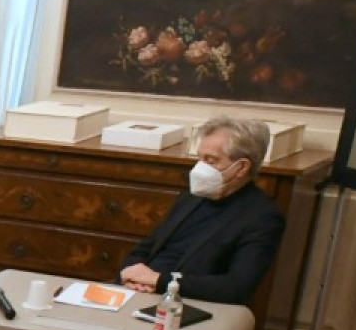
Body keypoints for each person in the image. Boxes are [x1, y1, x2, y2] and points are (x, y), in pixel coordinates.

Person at [117, 115, 285, 305]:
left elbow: (237, 287)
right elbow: (148, 246)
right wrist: (132, 272)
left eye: (211, 160)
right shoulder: (191, 196)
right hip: (136, 291)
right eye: (199, 158)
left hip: (186, 304)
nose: (199, 169)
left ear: (241, 168)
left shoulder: (262, 217)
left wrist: (159, 281)